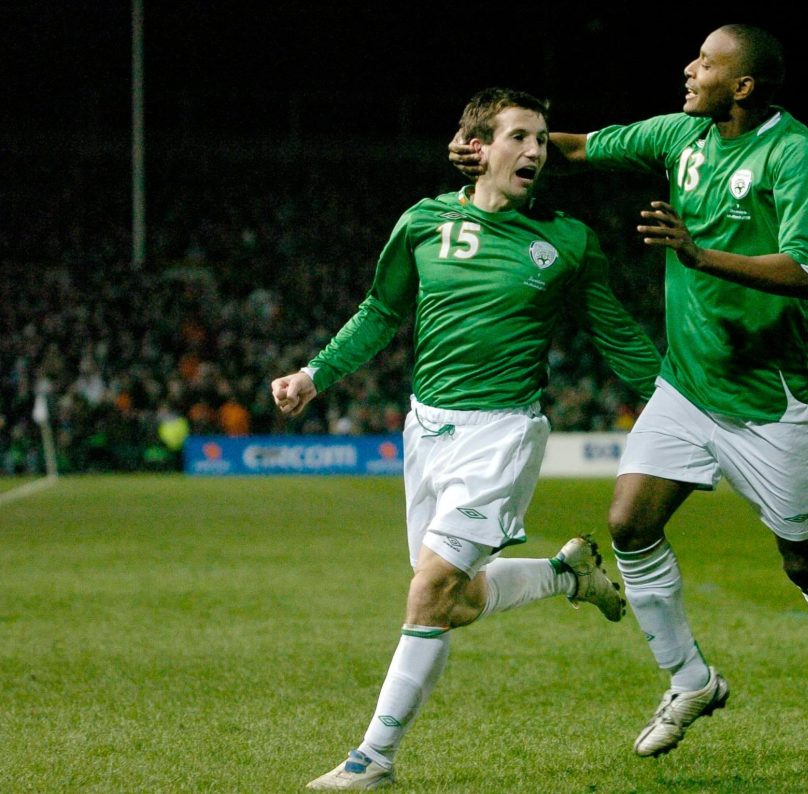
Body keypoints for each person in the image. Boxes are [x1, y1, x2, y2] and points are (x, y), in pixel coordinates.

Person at [450, 22, 808, 782]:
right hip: (689, 386)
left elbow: (804, 272)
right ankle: (691, 681)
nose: (690, 68)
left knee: (805, 563)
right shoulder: (681, 133)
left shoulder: (796, 156)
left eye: (708, 62)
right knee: (629, 523)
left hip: (777, 398)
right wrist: (498, 148)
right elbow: (582, 147)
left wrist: (697, 255)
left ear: (743, 86)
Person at [272, 87, 662, 790]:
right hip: (426, 431)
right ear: (477, 148)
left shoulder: (567, 242)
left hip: (503, 435)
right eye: (520, 137)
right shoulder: (422, 223)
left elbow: (617, 334)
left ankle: (374, 758)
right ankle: (567, 575)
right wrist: (314, 373)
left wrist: (677, 408)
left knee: (430, 591)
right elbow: (380, 311)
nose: (537, 151)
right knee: (456, 599)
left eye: (543, 140)